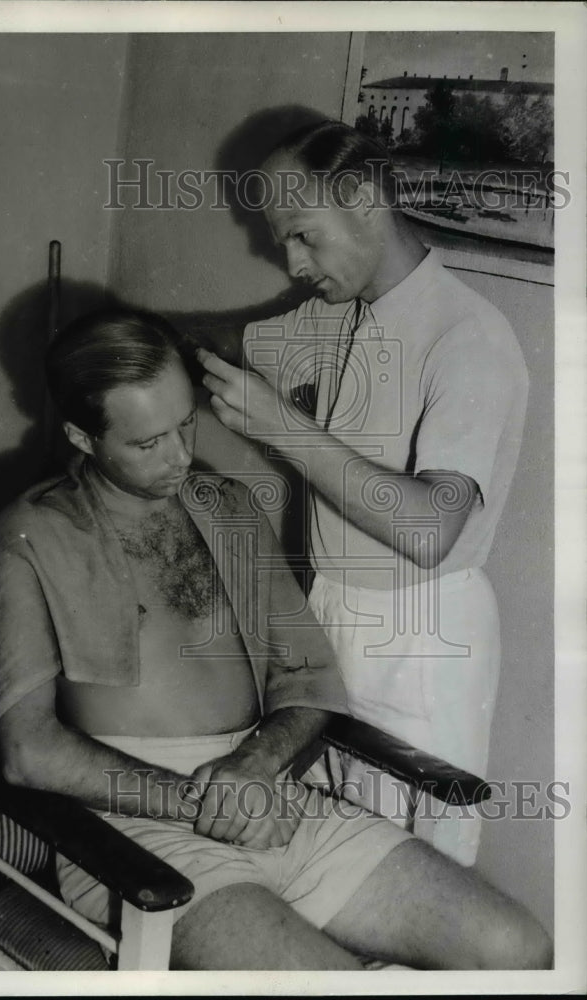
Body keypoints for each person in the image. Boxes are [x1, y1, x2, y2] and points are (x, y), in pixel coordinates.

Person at [0, 307, 549, 971]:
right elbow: (28, 752)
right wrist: (203, 801)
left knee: (519, 950)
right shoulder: (30, 534)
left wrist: (256, 766)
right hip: (126, 826)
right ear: (81, 435)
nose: (180, 456)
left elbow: (308, 677)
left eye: (186, 422)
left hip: (268, 792)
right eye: (146, 442)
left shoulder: (230, 509)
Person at [198, 119, 530, 867]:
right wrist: (130, 333)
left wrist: (285, 428)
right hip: (336, 613)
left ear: (362, 197)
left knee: (414, 863)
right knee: (325, 845)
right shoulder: (337, 314)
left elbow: (429, 528)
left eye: (302, 236)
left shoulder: (469, 338)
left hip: (424, 633)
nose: (290, 260)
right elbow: (231, 341)